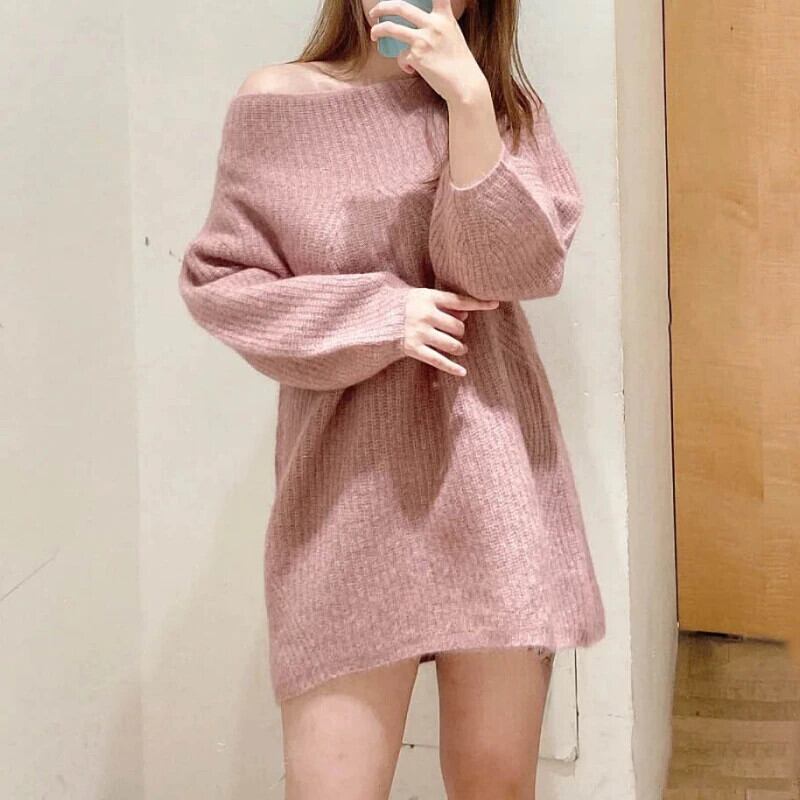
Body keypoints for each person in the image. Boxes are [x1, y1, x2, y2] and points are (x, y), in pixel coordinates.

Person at [178, 0, 606, 796]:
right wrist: (378, 315)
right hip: (346, 498)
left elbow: (511, 270)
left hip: (492, 481)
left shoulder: (504, 108)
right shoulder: (278, 103)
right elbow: (222, 286)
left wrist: (468, 102)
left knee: (496, 786)